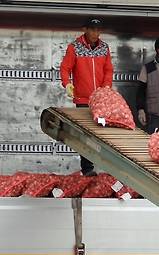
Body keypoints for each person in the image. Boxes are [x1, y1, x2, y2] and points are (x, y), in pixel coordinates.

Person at [60, 17, 114, 176]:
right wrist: (67, 84)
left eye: (98, 30)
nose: (95, 33)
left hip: (101, 100)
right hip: (83, 100)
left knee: (101, 131)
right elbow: (65, 68)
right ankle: (88, 169)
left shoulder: (104, 48)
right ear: (85, 29)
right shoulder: (74, 47)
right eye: (92, 29)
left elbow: (108, 70)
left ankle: (107, 166)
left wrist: (106, 89)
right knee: (85, 134)